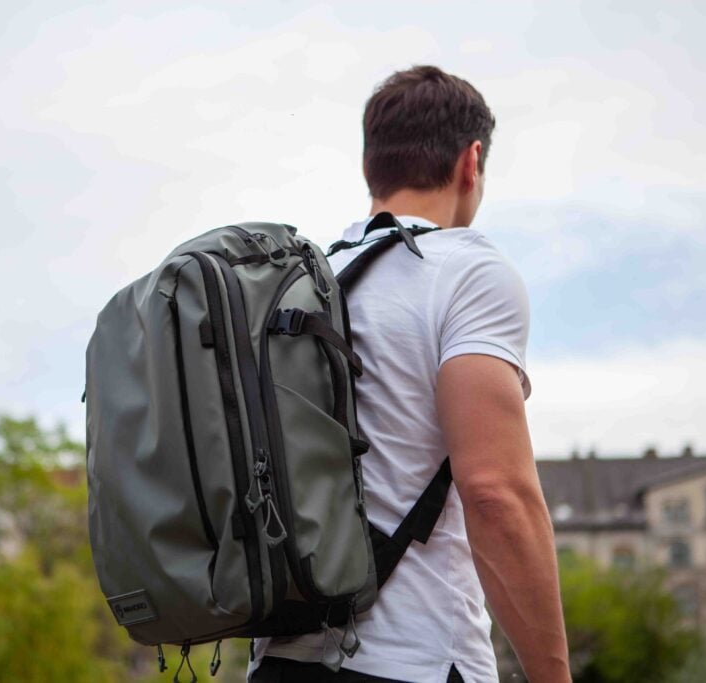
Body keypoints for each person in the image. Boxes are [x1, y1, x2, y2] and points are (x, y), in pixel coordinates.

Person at [247, 66, 571, 683]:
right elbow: (495, 493)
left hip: (278, 659)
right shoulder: (466, 271)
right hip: (415, 659)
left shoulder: (293, 284)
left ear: (373, 163)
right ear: (471, 162)